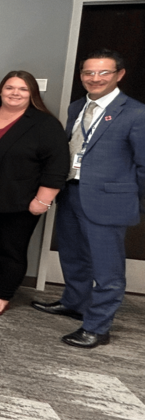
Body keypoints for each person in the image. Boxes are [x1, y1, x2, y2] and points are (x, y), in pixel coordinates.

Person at [32, 49, 145, 348]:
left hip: (109, 201)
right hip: (72, 191)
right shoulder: (77, 107)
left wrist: (135, 200)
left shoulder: (136, 113)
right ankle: (75, 302)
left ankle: (97, 327)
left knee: (107, 269)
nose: (95, 78)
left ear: (119, 74)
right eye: (88, 72)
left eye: (103, 72)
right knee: (73, 255)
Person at [0, 71, 68, 316]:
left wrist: (43, 200)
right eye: (9, 87)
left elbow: (57, 165)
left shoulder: (44, 124)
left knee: (11, 249)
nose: (15, 93)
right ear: (1, 90)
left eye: (23, 89)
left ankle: (2, 296)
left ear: (32, 94)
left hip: (17, 200)